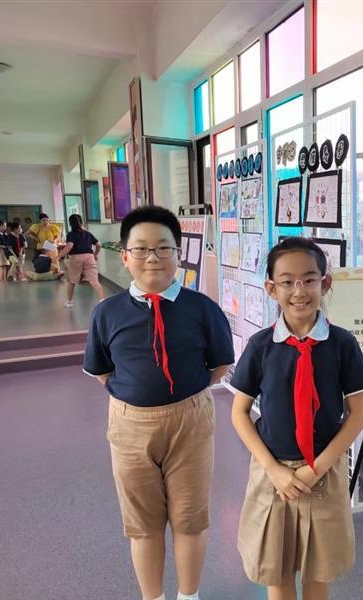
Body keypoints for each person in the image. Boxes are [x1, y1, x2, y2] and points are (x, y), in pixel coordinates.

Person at [83, 206, 234, 600]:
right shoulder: (106, 313)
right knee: (143, 524)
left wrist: (185, 397)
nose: (153, 258)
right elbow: (102, 371)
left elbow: (219, 365)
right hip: (129, 425)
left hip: (191, 422)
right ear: (125, 256)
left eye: (164, 248)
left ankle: (189, 596)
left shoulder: (202, 308)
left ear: (179, 253)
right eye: (141, 248)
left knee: (190, 519)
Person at [230, 237, 363, 600]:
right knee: (275, 569)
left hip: (323, 472)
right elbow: (239, 412)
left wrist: (317, 468)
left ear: (325, 283)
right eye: (287, 281)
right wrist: (273, 469)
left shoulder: (343, 344)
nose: (299, 291)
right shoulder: (260, 346)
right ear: (271, 288)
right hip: (272, 473)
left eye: (309, 279)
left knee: (318, 570)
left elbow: (357, 414)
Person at [58, 214, 103, 307]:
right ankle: (102, 300)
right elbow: (99, 244)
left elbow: (69, 246)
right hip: (89, 257)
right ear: (81, 222)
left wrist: (58, 256)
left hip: (76, 257)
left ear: (70, 224)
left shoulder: (71, 234)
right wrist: (95, 255)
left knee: (72, 280)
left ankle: (69, 302)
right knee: (94, 280)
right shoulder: (87, 234)